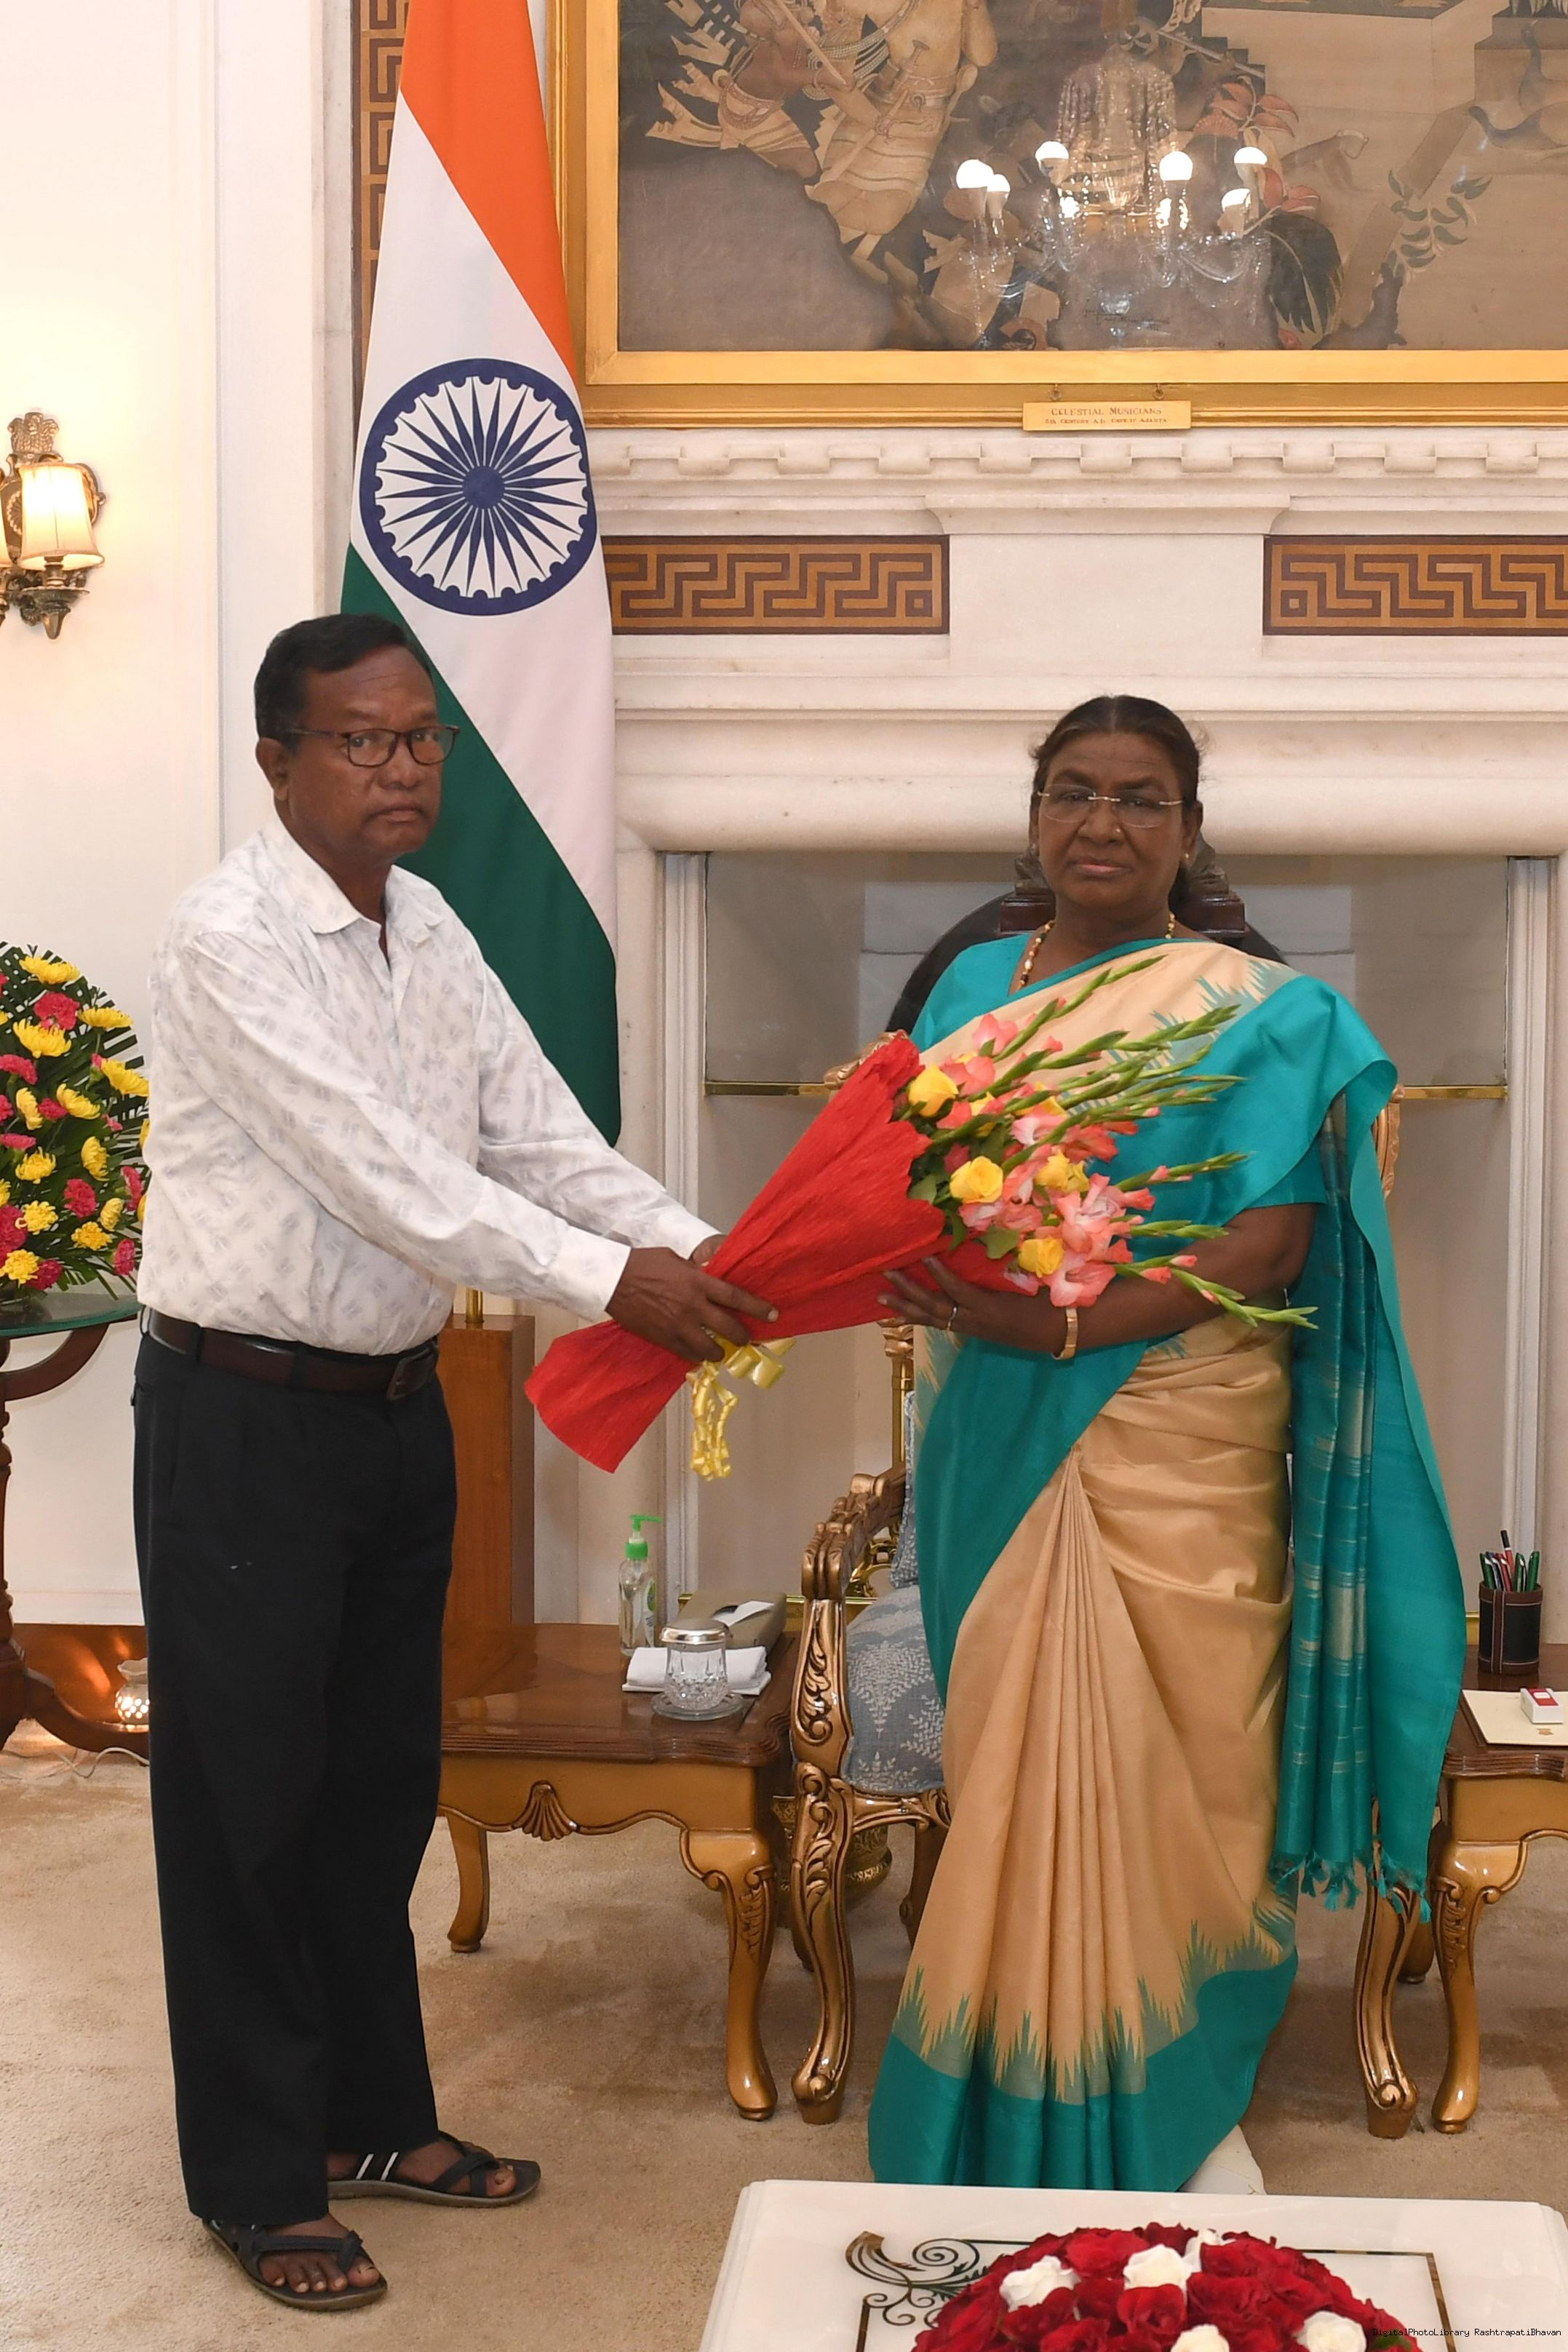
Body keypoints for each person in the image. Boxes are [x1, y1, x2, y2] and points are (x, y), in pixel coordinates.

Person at [133, 613, 773, 2311]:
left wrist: (720, 1255)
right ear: (277, 759)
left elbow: (542, 1139)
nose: (403, 766)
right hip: (243, 1420)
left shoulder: (428, 921)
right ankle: (258, 2180)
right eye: (362, 739)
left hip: (396, 1413)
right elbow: (390, 1179)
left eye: (420, 737)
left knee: (372, 1793)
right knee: (245, 1809)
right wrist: (615, 1282)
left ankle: (372, 2119)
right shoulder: (227, 936)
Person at [867, 694, 1464, 2193]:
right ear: (1034, 817)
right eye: (1074, 791)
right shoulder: (966, 995)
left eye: (1141, 798)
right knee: (1014, 1758)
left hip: (1180, 1425)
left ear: (1190, 829)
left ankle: (1175, 2096)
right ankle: (1003, 2093)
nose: (1103, 823)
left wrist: (1061, 1331)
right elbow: (902, 1193)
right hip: (1002, 1434)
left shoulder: (1268, 1011)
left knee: (1187, 1768)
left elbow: (1266, 1245)